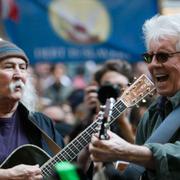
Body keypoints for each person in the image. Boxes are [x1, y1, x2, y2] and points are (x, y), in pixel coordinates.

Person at [89, 13, 180, 180]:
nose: (152, 64)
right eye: (148, 57)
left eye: (162, 56)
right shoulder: (152, 114)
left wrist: (127, 151)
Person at [0, 39, 64, 179]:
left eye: (23, 68)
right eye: (9, 67)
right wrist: (6, 174)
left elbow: (66, 172)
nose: (18, 74)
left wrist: (86, 156)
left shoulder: (41, 122)